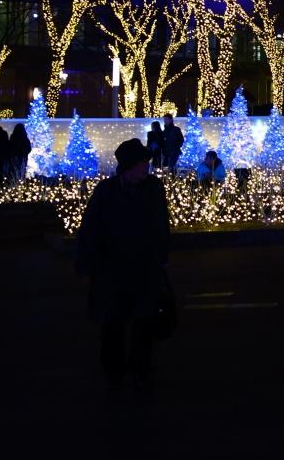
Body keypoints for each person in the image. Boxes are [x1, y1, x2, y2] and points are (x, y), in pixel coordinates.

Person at [76, 138, 171, 393]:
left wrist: (162, 257)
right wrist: (86, 264)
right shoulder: (106, 191)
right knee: (112, 323)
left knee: (144, 322)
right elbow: (91, 228)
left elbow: (161, 224)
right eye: (142, 163)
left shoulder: (153, 188)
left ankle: (141, 370)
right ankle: (114, 371)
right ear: (129, 166)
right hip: (113, 269)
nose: (146, 167)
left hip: (144, 268)